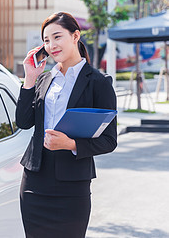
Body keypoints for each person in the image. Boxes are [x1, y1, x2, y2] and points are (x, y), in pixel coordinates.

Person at [16, 12, 117, 238]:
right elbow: (23, 122)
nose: (51, 45)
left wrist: (70, 143)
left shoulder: (99, 83)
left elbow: (109, 141)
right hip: (34, 182)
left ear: (75, 36)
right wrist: (29, 79)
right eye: (46, 41)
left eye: (57, 37)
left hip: (72, 185)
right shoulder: (43, 79)